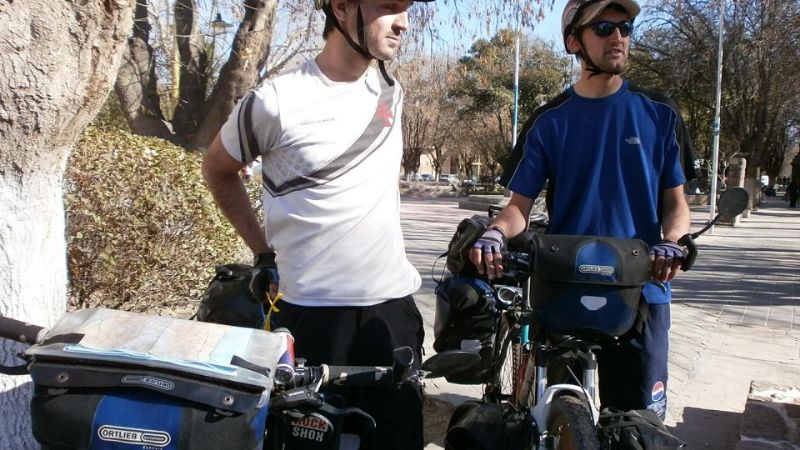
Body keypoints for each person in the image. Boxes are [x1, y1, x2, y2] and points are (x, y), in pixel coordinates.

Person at [201, 0, 434, 448]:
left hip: (393, 315)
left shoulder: (390, 90)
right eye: (389, 7)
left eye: (406, 9)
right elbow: (217, 168)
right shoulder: (275, 101)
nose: (404, 22)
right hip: (311, 318)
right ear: (343, 9)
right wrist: (262, 251)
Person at [469, 0, 694, 422]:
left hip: (640, 291)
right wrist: (495, 232)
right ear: (574, 41)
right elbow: (519, 206)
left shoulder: (659, 114)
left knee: (639, 427)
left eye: (626, 28)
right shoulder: (549, 121)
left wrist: (673, 242)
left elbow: (676, 206)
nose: (619, 38)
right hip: (565, 289)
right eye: (605, 28)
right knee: (558, 423)